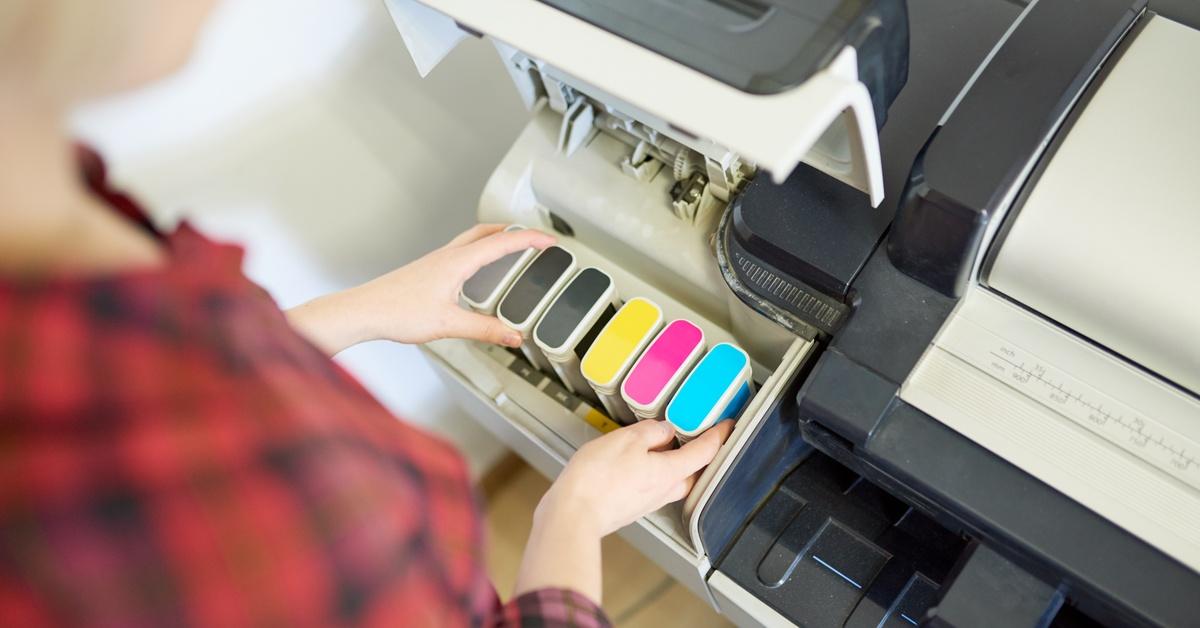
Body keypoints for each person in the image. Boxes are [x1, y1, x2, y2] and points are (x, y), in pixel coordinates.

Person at [0, 2, 736, 627]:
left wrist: (358, 312)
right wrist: (571, 515)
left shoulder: (52, 221)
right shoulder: (225, 496)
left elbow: (161, 356)